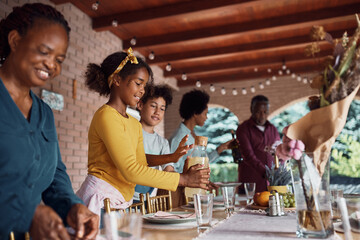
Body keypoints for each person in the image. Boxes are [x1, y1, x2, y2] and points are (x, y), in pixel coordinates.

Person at [0, 3, 99, 239]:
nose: (51, 65)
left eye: (59, 59)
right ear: (15, 41)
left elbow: (54, 173)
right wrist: (27, 214)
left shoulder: (44, 113)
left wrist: (72, 205)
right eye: (44, 52)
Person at [76, 49, 210, 219]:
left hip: (119, 202)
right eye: (138, 83)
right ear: (117, 80)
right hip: (101, 201)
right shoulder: (106, 115)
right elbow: (131, 170)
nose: (142, 90)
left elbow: (140, 161)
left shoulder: (132, 122)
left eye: (144, 86)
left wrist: (171, 157)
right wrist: (182, 179)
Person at [169, 89, 233, 173]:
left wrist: (220, 149)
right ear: (195, 113)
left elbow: (201, 163)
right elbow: (173, 170)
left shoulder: (193, 134)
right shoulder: (178, 138)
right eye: (205, 114)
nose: (206, 118)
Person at [133, 84, 176, 202]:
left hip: (149, 200)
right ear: (140, 105)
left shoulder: (163, 143)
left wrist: (186, 176)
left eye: (162, 108)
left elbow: (169, 170)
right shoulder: (130, 133)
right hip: (125, 198)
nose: (157, 112)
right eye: (153, 106)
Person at [236, 95, 281, 192]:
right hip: (250, 183)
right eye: (258, 112)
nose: (262, 116)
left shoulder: (273, 129)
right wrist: (267, 173)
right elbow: (248, 155)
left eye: (265, 112)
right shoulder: (243, 129)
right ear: (251, 110)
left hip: (271, 185)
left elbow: (278, 152)